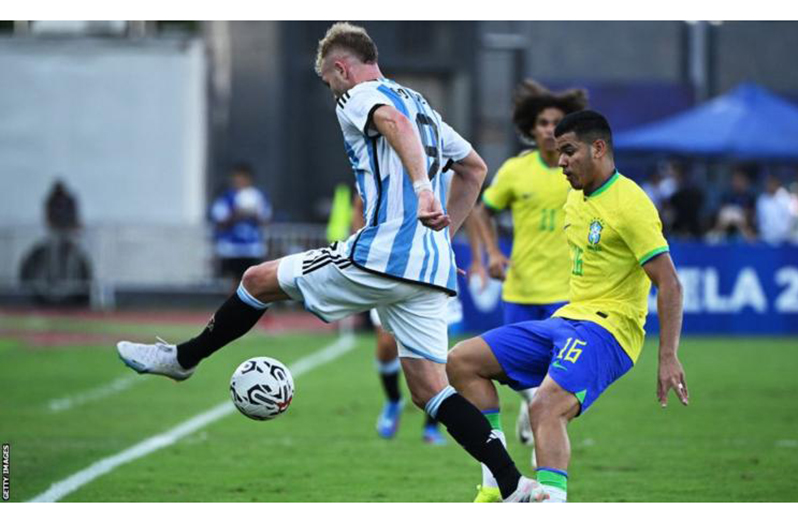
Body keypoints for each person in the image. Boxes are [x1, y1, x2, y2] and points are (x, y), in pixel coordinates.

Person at [117, 22, 545, 502]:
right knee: (429, 388)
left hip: (382, 255)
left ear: (341, 68)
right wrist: (444, 240)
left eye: (327, 81)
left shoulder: (360, 96)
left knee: (257, 279)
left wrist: (425, 191)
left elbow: (395, 126)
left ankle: (183, 359)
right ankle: (515, 484)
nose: (330, 90)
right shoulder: (422, 103)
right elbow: (474, 168)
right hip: (429, 270)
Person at [447, 110, 688, 503]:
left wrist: (668, 356)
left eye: (569, 151)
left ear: (599, 148)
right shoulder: (575, 198)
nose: (561, 162)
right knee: (461, 361)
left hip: (611, 330)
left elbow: (670, 283)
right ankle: (498, 485)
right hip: (568, 318)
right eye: (559, 152)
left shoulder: (631, 204)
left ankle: (553, 506)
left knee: (545, 408)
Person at [467, 80, 587, 497]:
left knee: (559, 383)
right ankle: (530, 409)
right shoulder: (517, 170)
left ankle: (542, 443)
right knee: (512, 375)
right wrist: (489, 256)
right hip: (519, 289)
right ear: (530, 128)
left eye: (557, 122)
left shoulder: (579, 170)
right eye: (543, 122)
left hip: (566, 293)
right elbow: (481, 212)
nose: (550, 129)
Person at [210, 163, 272, 289]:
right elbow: (220, 221)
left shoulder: (258, 196)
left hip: (252, 247)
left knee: (253, 280)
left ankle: (250, 307)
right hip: (232, 248)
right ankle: (232, 307)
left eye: (243, 177)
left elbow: (266, 219)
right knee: (233, 280)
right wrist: (236, 213)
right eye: (237, 177)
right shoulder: (226, 197)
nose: (240, 181)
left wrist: (254, 214)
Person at [756, 174, 794, 245]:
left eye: (772, 183)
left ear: (777, 184)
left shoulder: (786, 198)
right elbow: (760, 220)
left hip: (784, 239)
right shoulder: (761, 199)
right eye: (768, 183)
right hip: (766, 239)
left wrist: (781, 234)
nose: (769, 186)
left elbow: (789, 220)